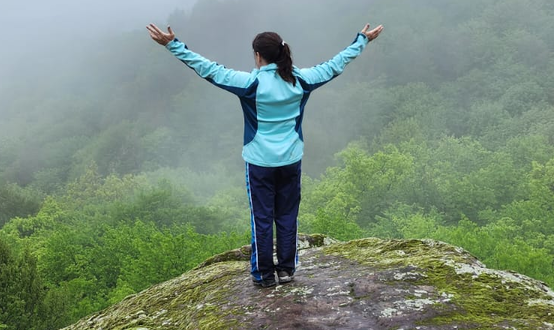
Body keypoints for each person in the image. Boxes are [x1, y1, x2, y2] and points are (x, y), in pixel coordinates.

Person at [145, 21, 384, 287]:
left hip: (259, 162)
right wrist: (362, 40)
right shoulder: (301, 80)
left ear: (258, 56)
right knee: (286, 215)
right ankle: (286, 269)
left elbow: (208, 69)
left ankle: (264, 275)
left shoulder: (250, 84)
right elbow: (335, 65)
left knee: (262, 217)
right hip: (291, 160)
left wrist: (173, 45)